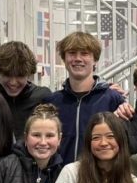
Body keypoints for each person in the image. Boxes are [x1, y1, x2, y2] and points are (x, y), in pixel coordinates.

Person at [44, 31, 127, 161]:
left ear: (95, 60)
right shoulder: (51, 102)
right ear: (64, 59)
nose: (78, 59)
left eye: (84, 53)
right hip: (59, 176)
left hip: (98, 177)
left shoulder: (113, 99)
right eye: (72, 53)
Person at [0, 40, 53, 134]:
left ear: (28, 74)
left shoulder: (43, 97)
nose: (13, 82)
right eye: (7, 74)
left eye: (20, 75)